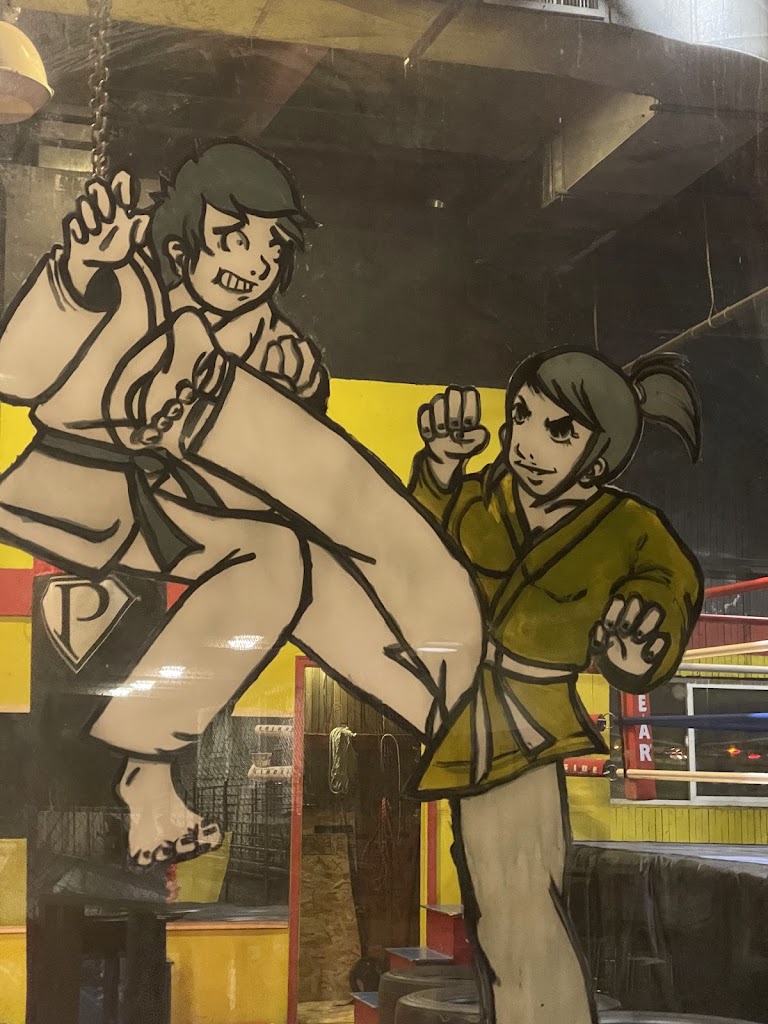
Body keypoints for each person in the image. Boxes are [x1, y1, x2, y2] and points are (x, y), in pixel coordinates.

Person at [0, 142, 483, 867]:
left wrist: (295, 390)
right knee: (277, 558)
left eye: (271, 246)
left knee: (296, 566)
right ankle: (147, 770)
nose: (253, 262)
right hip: (89, 491)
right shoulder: (126, 284)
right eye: (232, 237)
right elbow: (16, 372)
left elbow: (273, 464)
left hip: (190, 512)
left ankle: (448, 719)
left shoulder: (271, 339)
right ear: (180, 243)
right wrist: (78, 269)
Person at [405, 349, 704, 1024]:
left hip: (525, 723)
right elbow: (414, 543)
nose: (527, 442)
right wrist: (441, 467)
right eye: (522, 416)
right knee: (511, 910)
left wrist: (639, 645)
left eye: (559, 430)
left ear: (598, 459)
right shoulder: (482, 498)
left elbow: (664, 597)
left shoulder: (632, 529)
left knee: (517, 914)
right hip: (449, 699)